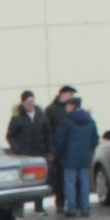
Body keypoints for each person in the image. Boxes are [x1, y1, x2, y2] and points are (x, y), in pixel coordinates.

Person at [52, 91, 99, 218]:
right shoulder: (90, 120)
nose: (66, 108)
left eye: (68, 106)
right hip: (84, 157)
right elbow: (95, 139)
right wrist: (88, 151)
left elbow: (59, 140)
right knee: (84, 182)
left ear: (72, 106)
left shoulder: (67, 121)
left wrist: (58, 153)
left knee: (70, 183)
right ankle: (85, 208)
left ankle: (71, 209)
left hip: (69, 158)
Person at [5, 90, 50, 215]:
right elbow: (10, 136)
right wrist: (17, 149)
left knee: (39, 181)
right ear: (23, 103)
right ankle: (20, 209)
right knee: (23, 182)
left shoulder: (41, 115)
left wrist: (48, 150)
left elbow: (47, 133)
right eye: (28, 102)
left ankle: (39, 207)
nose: (31, 104)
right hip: (24, 155)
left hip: (39, 154)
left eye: (32, 101)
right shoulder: (17, 117)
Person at [44, 85, 76, 213]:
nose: (71, 97)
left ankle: (71, 201)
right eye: (70, 94)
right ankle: (60, 202)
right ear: (63, 94)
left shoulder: (71, 108)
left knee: (70, 177)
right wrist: (51, 148)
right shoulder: (51, 109)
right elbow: (48, 131)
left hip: (70, 148)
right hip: (58, 149)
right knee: (59, 177)